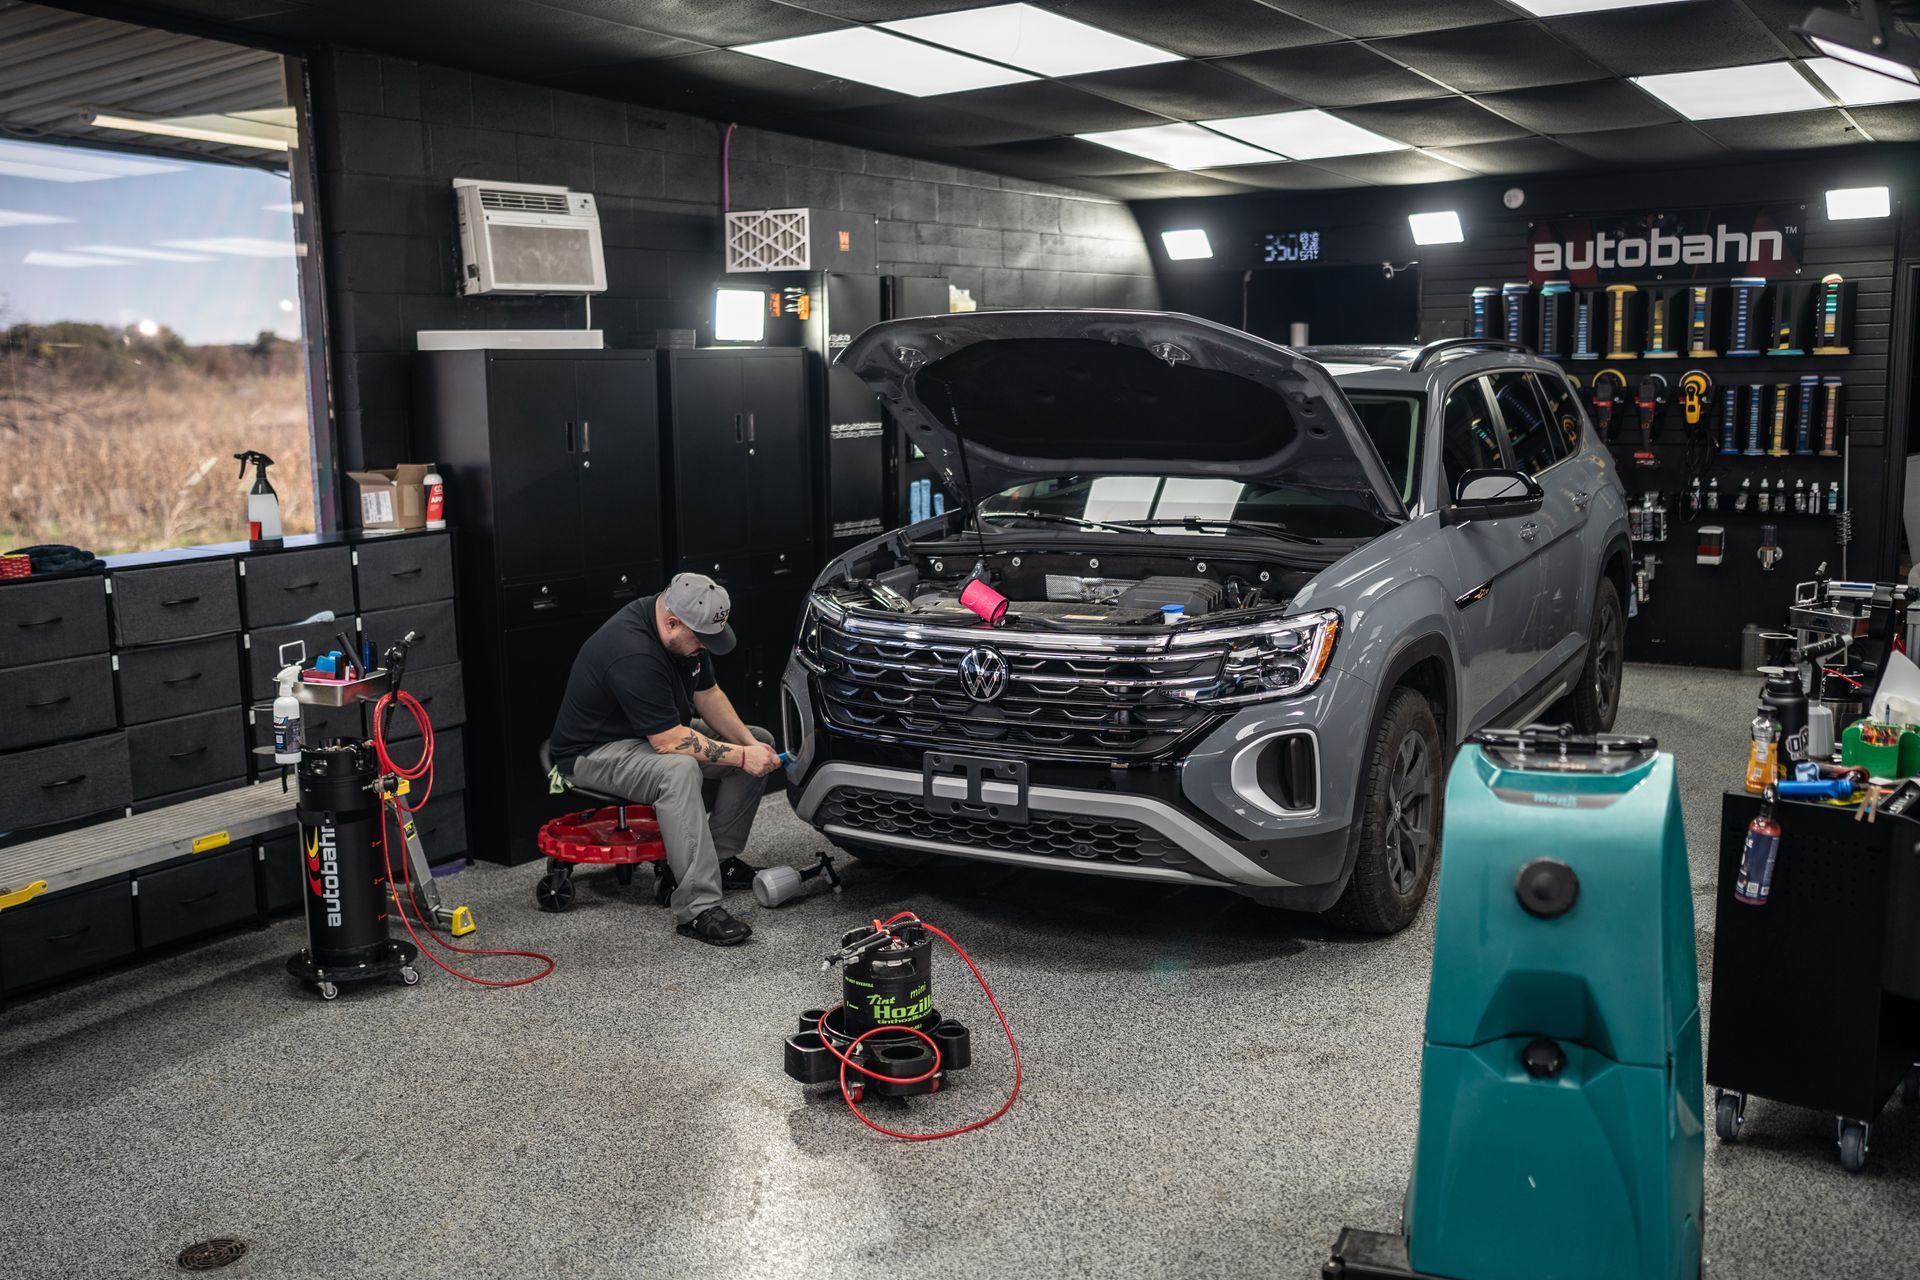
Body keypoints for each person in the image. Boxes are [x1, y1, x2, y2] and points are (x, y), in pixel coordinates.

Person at [548, 573, 782, 946]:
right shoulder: (631, 650)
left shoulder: (684, 636)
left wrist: (750, 746)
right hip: (593, 752)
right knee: (680, 769)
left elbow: (708, 695)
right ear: (672, 623)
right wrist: (741, 757)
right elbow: (670, 741)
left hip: (649, 730)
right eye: (701, 640)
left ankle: (717, 862)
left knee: (759, 740)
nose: (705, 647)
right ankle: (697, 906)